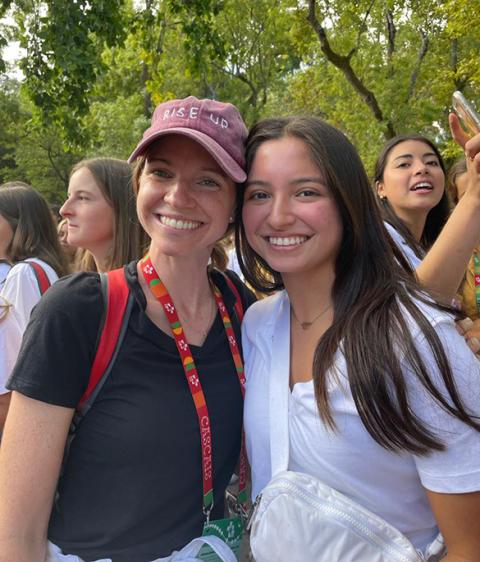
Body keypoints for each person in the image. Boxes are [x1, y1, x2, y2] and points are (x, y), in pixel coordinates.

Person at [0, 96, 255, 562]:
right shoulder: (77, 312)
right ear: (138, 185)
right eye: (161, 172)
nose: (178, 196)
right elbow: (16, 534)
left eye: (207, 180)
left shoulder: (241, 307)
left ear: (235, 206)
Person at [238, 116, 480, 560]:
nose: (278, 215)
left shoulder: (416, 337)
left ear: (349, 201)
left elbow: (472, 546)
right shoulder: (255, 327)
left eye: (306, 192)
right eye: (258, 195)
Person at [373, 124, 480, 306]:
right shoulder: (371, 242)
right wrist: (474, 195)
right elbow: (420, 302)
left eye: (431, 162)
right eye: (404, 164)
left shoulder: (429, 249)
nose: (422, 169)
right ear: (380, 188)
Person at [0, 183, 69, 429]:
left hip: (25, 419)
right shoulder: (40, 268)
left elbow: (21, 360)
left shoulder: (24, 273)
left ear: (18, 224)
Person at [60, 157, 149, 272]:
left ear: (121, 207)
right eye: (69, 196)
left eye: (82, 198)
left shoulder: (152, 286)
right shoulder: (83, 284)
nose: (64, 210)